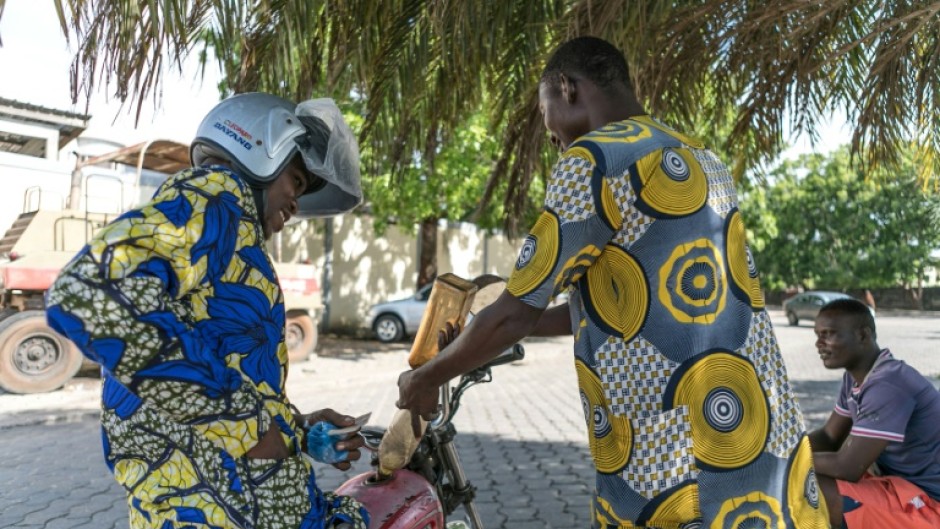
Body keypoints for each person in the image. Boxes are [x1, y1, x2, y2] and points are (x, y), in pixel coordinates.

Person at [397, 36, 830, 528]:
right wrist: (489, 324)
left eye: (546, 115)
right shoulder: (699, 158)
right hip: (758, 432)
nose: (552, 137)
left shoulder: (593, 161)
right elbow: (614, 310)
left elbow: (515, 312)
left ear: (568, 87)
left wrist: (426, 377)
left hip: (677, 462)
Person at [46, 93, 369, 529]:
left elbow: (218, 357)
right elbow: (92, 290)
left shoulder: (230, 227)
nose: (296, 204)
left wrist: (296, 427)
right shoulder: (218, 198)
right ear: (263, 153)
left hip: (220, 495)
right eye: (295, 180)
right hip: (219, 505)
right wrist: (251, 428)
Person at [809, 298, 940, 528]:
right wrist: (783, 448)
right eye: (818, 334)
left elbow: (847, 467)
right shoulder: (857, 378)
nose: (819, 343)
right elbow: (829, 436)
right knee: (800, 475)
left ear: (863, 335)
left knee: (806, 487)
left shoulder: (889, 384)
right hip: (901, 487)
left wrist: (783, 460)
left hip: (930, 503)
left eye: (829, 333)